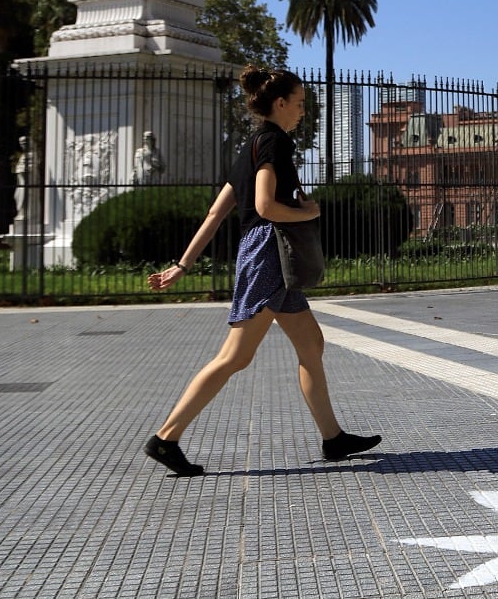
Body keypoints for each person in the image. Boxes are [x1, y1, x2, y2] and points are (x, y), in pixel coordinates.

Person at [143, 67, 381, 476]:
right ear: (281, 103)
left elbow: (218, 212)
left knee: (311, 344)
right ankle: (166, 438)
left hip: (267, 256)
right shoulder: (273, 143)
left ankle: (333, 438)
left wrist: (182, 264)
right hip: (271, 254)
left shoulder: (252, 145)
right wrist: (309, 210)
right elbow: (266, 207)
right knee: (234, 356)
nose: (304, 111)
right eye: (301, 103)